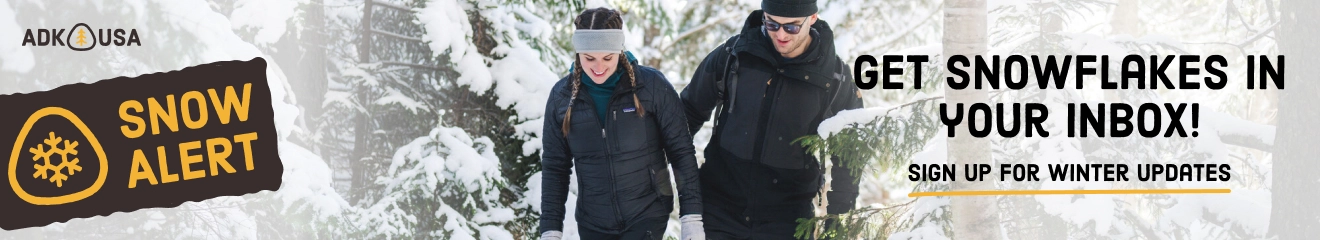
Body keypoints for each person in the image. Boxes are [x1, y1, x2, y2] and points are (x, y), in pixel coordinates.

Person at [679, 0, 864, 239]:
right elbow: (687, 114)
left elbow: (850, 157)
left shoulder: (834, 78)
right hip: (718, 209)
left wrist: (836, 224)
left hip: (787, 220)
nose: (780, 34)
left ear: (813, 18)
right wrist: (686, 192)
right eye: (772, 24)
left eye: (792, 27)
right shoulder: (734, 54)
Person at [540, 7, 705, 240]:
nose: (598, 68)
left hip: (646, 215)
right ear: (578, 54)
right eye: (589, 58)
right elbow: (555, 166)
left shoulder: (651, 86)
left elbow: (681, 151)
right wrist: (550, 229)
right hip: (593, 223)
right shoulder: (562, 97)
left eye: (607, 57)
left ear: (619, 51)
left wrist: (692, 217)